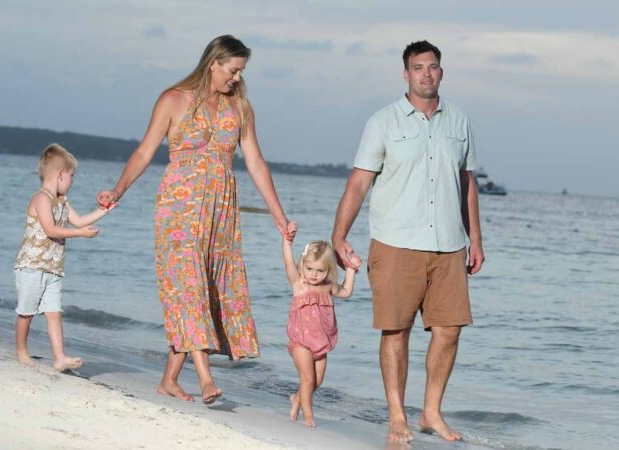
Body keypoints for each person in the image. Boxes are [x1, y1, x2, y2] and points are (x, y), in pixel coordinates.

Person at [96, 35, 292, 404]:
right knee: (188, 287)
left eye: (241, 72)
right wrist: (118, 189)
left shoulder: (241, 109)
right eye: (232, 70)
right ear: (213, 63)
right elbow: (144, 152)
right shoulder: (173, 99)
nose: (236, 78)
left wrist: (278, 216)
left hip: (221, 211)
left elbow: (256, 163)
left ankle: (169, 380)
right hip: (179, 209)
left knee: (207, 289)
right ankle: (205, 378)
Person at [332, 40, 485, 442]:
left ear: (441, 72)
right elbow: (359, 181)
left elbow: (467, 184)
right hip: (396, 242)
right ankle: (397, 415)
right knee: (395, 331)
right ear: (406, 74)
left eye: (433, 66)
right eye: (418, 67)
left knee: (450, 329)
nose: (426, 74)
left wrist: (477, 240)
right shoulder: (382, 122)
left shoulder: (460, 121)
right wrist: (339, 234)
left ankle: (431, 412)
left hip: (450, 244)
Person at [15, 143, 113, 371]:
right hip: (31, 266)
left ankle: (59, 357)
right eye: (71, 176)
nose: (72, 181)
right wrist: (80, 234)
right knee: (26, 313)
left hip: (53, 268)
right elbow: (51, 230)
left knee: (54, 313)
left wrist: (104, 211)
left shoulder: (63, 202)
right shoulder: (41, 199)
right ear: (60, 174)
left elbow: (79, 221)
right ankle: (21, 351)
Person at [281, 222, 360, 428]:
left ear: (328, 271)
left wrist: (351, 269)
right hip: (301, 343)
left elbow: (346, 292)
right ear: (303, 266)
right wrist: (287, 241)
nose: (314, 274)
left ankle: (297, 398)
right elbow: (288, 262)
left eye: (320, 270)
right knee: (307, 380)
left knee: (317, 382)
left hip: (321, 344)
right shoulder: (299, 285)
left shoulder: (328, 287)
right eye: (309, 269)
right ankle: (308, 415)